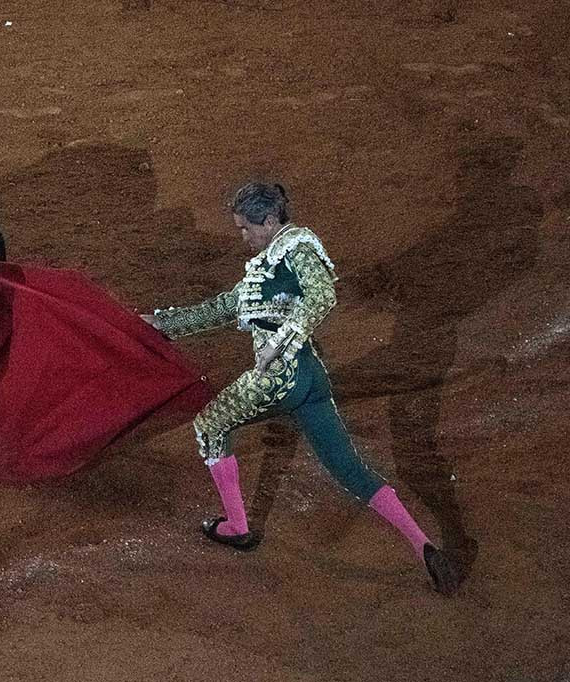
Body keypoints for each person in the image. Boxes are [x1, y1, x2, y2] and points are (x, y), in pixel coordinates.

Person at [142, 182, 459, 596]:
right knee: (349, 470)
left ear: (270, 220)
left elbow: (323, 294)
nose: (242, 237)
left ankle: (237, 527)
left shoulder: (296, 247)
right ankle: (425, 548)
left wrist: (280, 341)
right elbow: (223, 308)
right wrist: (160, 325)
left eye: (245, 228)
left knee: (209, 426)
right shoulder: (267, 265)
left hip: (281, 376)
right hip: (311, 378)